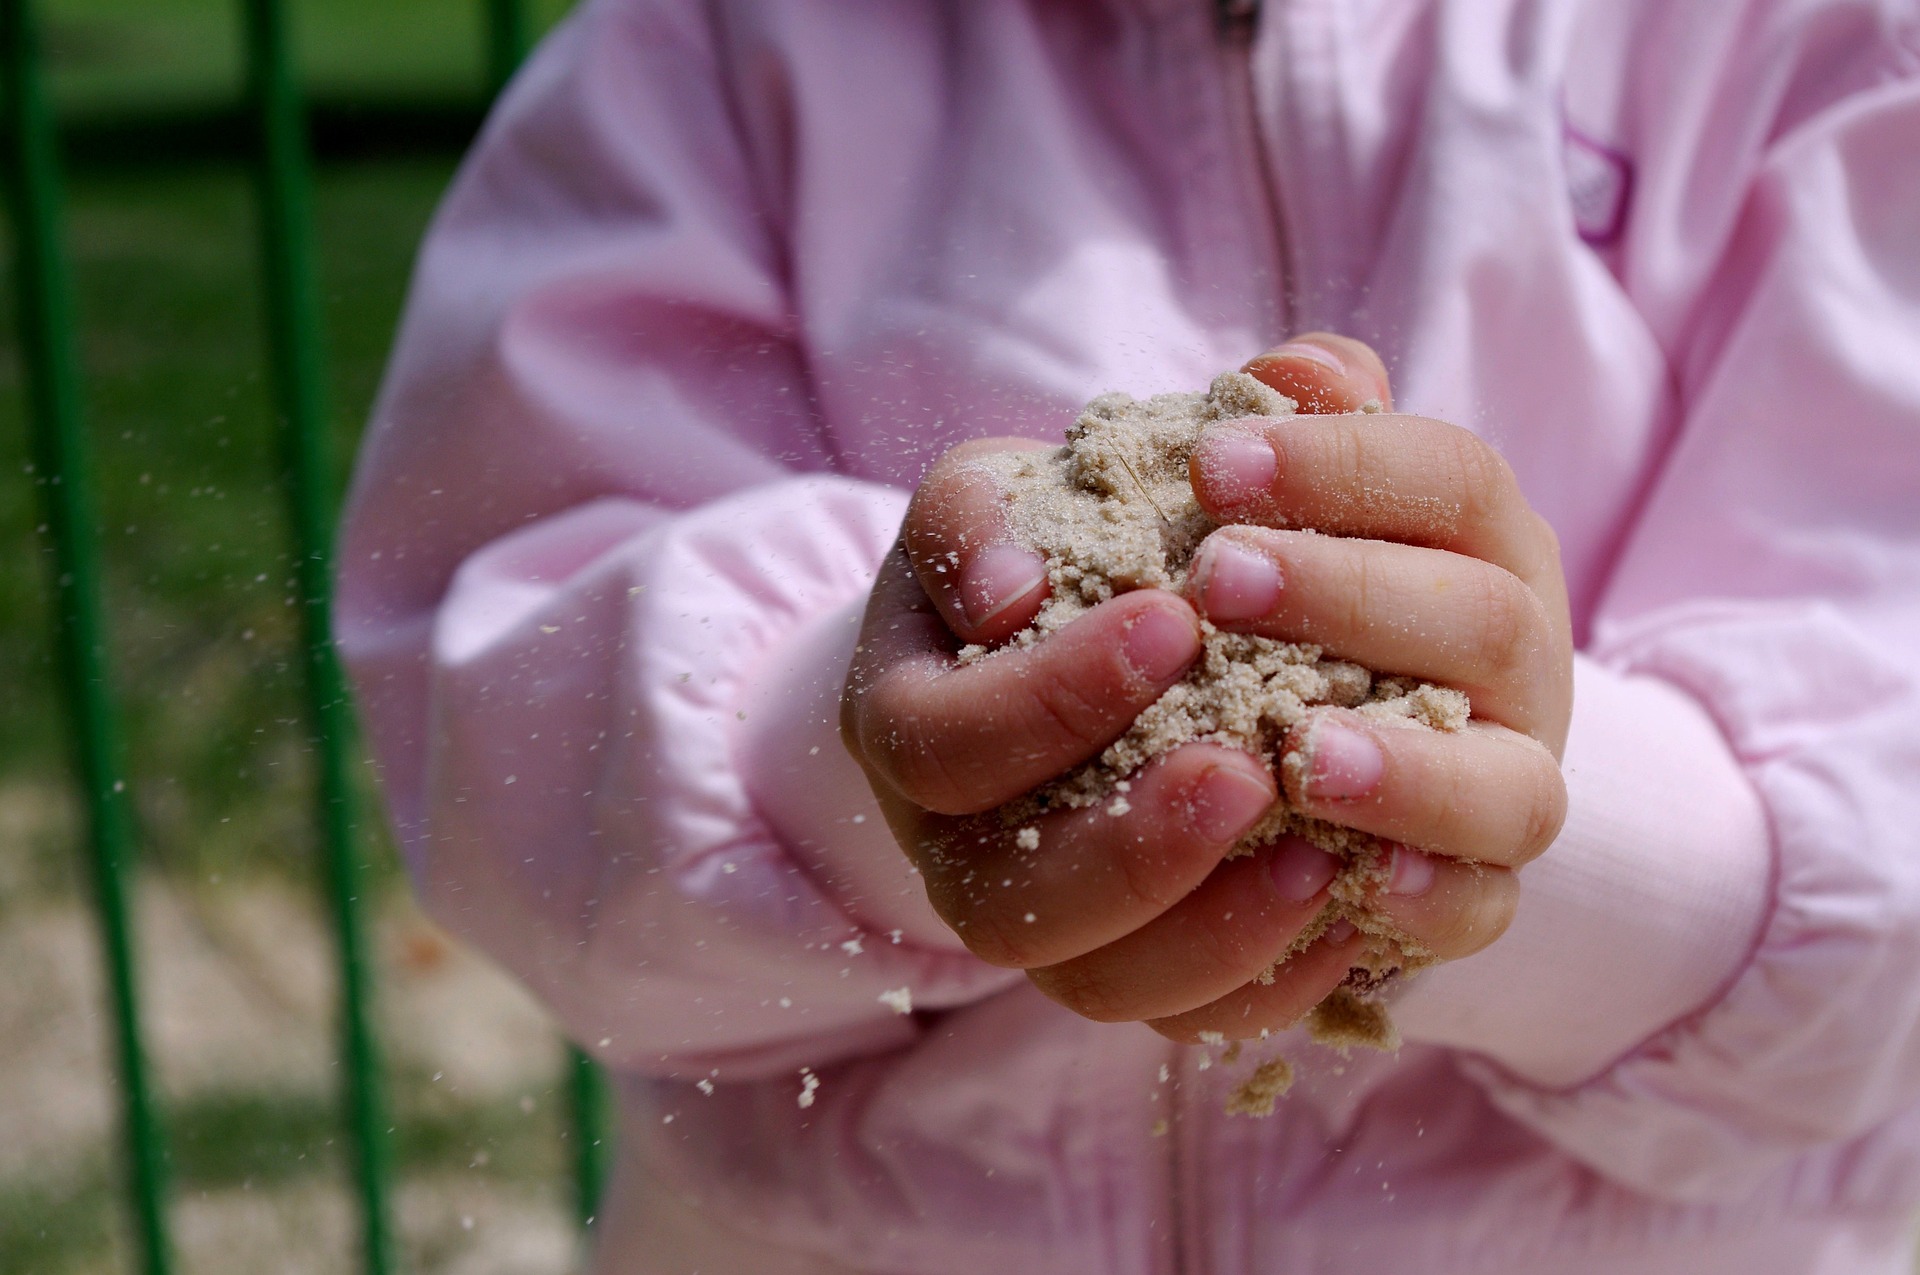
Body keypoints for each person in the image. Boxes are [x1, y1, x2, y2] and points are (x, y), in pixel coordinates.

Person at [335, 0, 1920, 1270]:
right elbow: (502, 748)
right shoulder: (710, 50)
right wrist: (884, 764)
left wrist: (1486, 807)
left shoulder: (1817, 49)